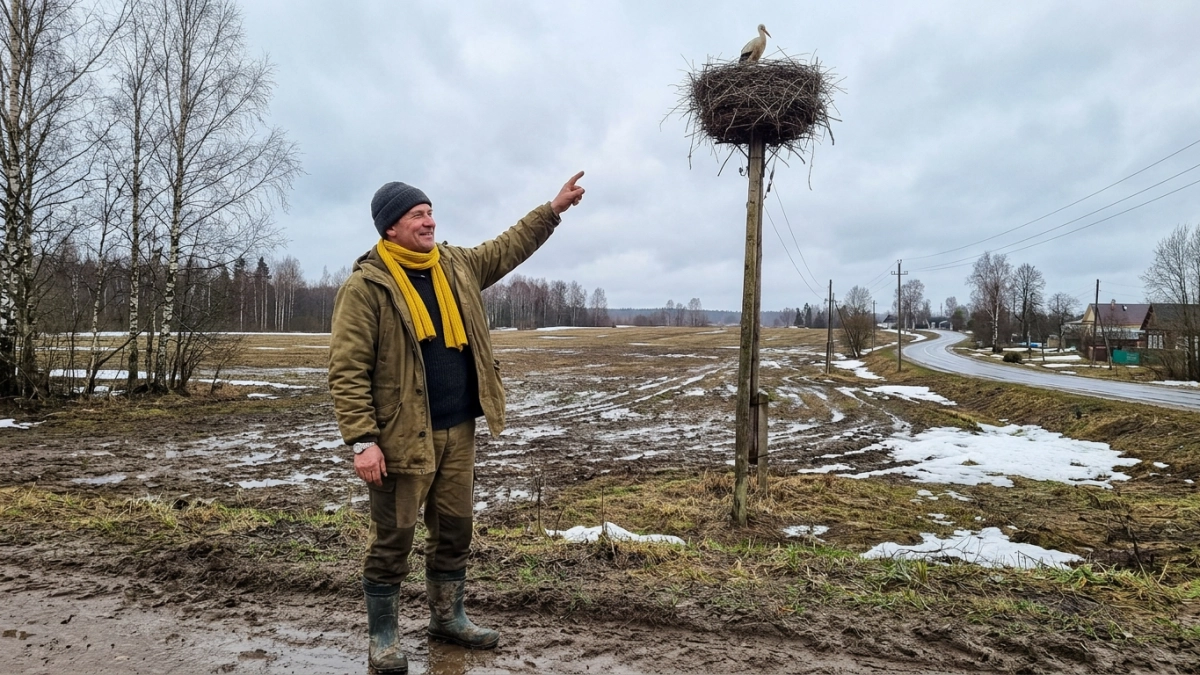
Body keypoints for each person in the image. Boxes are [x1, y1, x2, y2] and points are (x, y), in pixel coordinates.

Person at [329, 172, 585, 674]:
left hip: (458, 430)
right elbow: (347, 369)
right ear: (390, 230)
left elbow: (507, 247)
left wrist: (551, 210)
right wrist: (363, 441)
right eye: (417, 216)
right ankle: (383, 636)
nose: (430, 221)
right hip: (402, 439)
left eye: (430, 212)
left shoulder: (455, 265)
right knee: (393, 539)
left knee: (454, 530)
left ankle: (448, 618)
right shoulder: (366, 287)